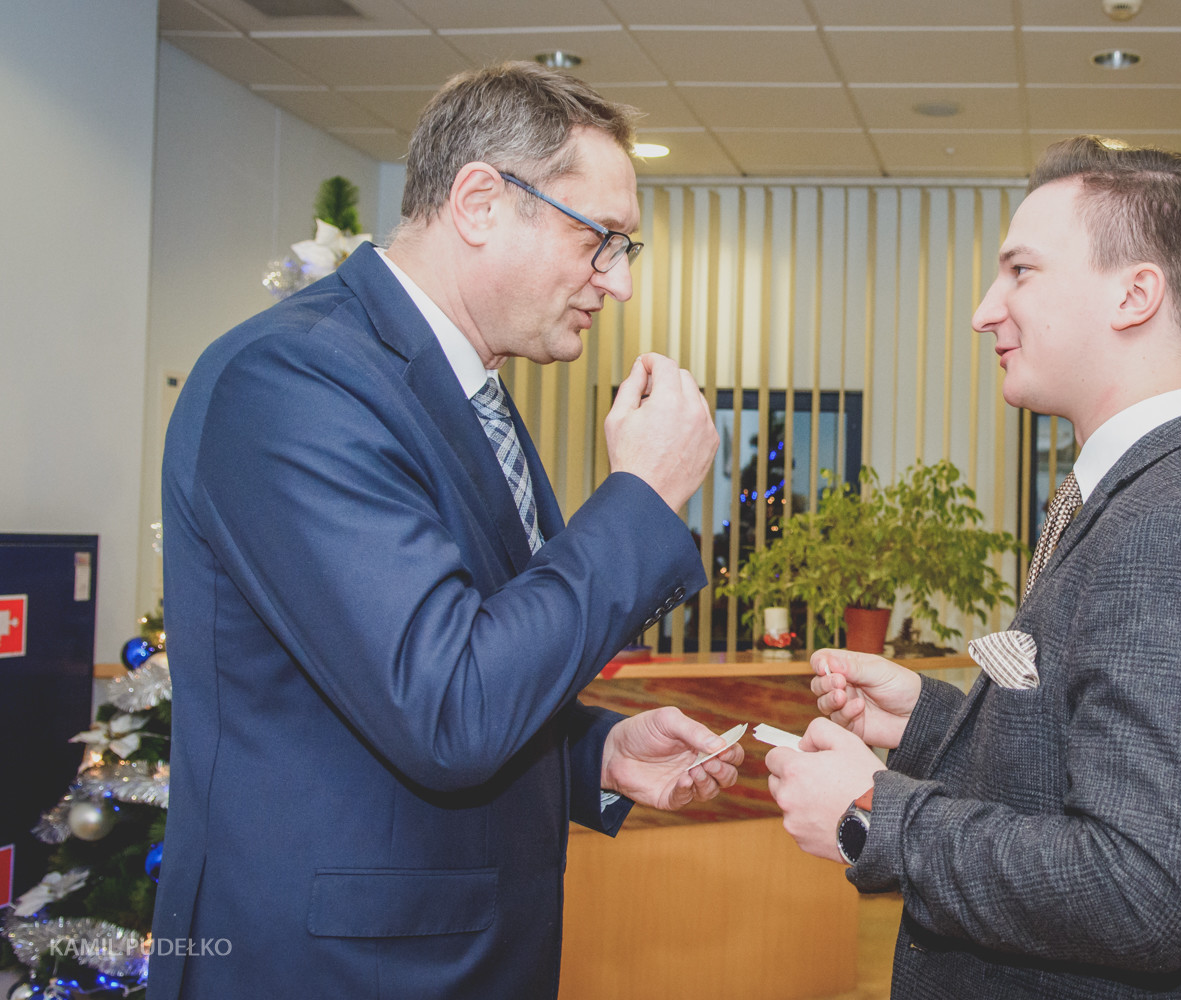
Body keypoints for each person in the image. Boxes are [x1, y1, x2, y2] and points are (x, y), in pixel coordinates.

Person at [151, 62, 743, 999]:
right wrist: (640, 496)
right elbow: (450, 708)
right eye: (599, 240)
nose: (620, 282)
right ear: (479, 204)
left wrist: (591, 754)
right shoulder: (293, 382)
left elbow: (434, 667)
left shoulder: (464, 391)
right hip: (336, 972)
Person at [765, 136, 1181, 998]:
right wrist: (929, 721)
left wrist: (876, 817)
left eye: (1021, 271)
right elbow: (1087, 757)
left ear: (1135, 294)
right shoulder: (1148, 489)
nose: (984, 311)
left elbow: (1145, 889)